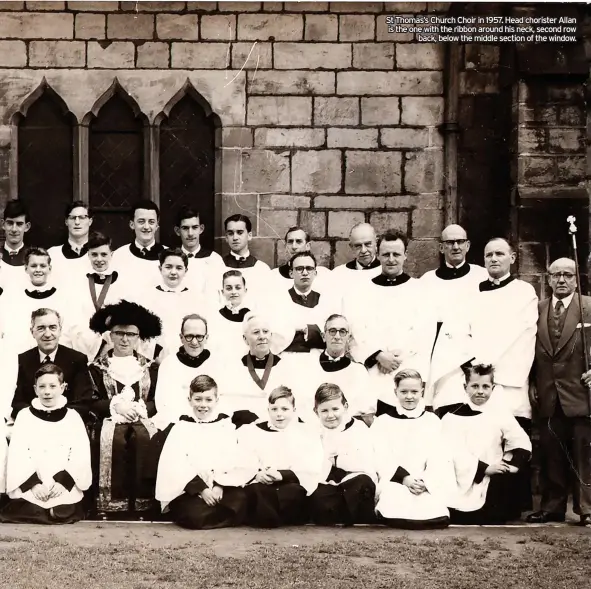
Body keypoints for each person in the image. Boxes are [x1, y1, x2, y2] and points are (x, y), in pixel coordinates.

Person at [527, 258, 591, 526]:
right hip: (548, 394)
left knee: (583, 453)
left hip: (580, 393)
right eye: (556, 275)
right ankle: (552, 507)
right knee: (552, 453)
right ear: (548, 278)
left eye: (567, 275)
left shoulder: (588, 307)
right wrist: (532, 383)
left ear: (576, 278)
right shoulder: (537, 309)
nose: (561, 280)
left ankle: (586, 508)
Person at [345, 230, 436, 405]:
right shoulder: (360, 292)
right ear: (378, 255)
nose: (391, 259)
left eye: (396, 254)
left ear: (406, 256)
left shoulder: (421, 291)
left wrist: (399, 360)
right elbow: (356, 330)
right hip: (372, 371)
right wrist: (378, 355)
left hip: (407, 372)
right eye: (386, 254)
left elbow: (425, 334)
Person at [87, 300, 161, 516]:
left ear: (139, 337)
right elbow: (90, 399)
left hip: (143, 420)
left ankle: (144, 506)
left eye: (131, 334)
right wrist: (115, 406)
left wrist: (141, 408)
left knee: (143, 435)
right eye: (119, 333)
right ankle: (109, 506)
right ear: (110, 335)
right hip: (108, 422)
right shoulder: (96, 368)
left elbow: (158, 398)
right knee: (115, 438)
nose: (125, 339)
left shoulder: (150, 367)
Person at [155, 375, 254, 529]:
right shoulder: (181, 428)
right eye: (198, 399)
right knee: (193, 514)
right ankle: (224, 517)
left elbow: (232, 458)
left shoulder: (225, 426)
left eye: (208, 400)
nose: (203, 405)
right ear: (189, 400)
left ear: (216, 400)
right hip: (190, 489)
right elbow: (175, 464)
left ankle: (220, 514)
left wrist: (219, 485)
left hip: (220, 486)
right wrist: (202, 490)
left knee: (241, 499)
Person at [0, 363, 91, 525]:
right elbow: (18, 453)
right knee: (28, 507)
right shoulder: (24, 416)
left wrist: (64, 482)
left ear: (63, 387)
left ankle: (54, 509)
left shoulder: (73, 417)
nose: (47, 392)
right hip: (33, 483)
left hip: (61, 485)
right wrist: (33, 484)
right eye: (42, 386)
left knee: (62, 510)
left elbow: (80, 453)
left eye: (53, 386)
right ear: (35, 389)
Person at [442, 364, 532, 525]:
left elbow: (520, 440)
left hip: (492, 476)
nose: (480, 391)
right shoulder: (451, 417)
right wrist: (483, 468)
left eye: (485, 386)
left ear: (493, 388)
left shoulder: (500, 413)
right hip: (461, 476)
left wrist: (513, 464)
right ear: (465, 387)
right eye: (474, 386)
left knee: (499, 504)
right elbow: (452, 452)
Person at [371, 370, 452, 529]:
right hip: (396, 479)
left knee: (433, 511)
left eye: (414, 391)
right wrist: (405, 479)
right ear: (395, 392)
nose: (409, 396)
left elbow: (439, 456)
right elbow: (381, 456)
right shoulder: (382, 422)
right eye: (404, 392)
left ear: (422, 391)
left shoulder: (432, 421)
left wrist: (425, 481)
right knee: (395, 504)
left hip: (423, 482)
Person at [421, 224, 487, 411]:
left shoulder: (482, 276)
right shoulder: (427, 280)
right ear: (441, 247)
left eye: (460, 242)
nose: (456, 247)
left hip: (472, 355)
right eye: (450, 242)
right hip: (440, 358)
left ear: (468, 245)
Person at [239, 386, 323, 527]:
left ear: (294, 410)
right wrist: (257, 474)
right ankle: (270, 518)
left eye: (284, 409)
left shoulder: (305, 433)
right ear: (268, 410)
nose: (279, 414)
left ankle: (272, 518)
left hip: (289, 482)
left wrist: (282, 475)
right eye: (274, 409)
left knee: (293, 492)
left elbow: (310, 465)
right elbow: (246, 458)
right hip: (262, 482)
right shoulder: (253, 432)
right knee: (257, 491)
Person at [308, 383, 377, 526]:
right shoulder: (314, 431)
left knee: (362, 484)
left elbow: (365, 462)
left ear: (345, 407)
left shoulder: (358, 428)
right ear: (316, 411)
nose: (330, 415)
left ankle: (353, 516)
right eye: (324, 411)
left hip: (354, 479)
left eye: (335, 409)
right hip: (328, 483)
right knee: (318, 496)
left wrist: (337, 460)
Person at [289, 314, 375, 425]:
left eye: (342, 331)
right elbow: (302, 406)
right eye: (332, 331)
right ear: (324, 336)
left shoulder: (359, 371)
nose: (337, 336)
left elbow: (366, 410)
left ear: (348, 337)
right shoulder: (307, 367)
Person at [12, 308, 93, 422]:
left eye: (52, 327)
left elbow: (83, 401)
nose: (48, 334)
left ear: (60, 330)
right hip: (31, 423)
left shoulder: (77, 359)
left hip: (66, 423)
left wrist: (55, 418)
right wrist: (38, 417)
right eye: (41, 328)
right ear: (32, 332)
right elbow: (16, 401)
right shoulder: (21, 361)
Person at [217, 313, 295, 419]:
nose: (262, 336)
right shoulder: (233, 368)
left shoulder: (286, 367)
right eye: (256, 332)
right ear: (245, 339)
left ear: (271, 336)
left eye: (266, 332)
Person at [153, 314, 222, 431]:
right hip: (178, 423)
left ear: (206, 338)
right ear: (181, 337)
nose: (194, 342)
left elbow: (222, 398)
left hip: (212, 422)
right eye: (189, 336)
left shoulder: (218, 363)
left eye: (199, 336)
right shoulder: (169, 364)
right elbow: (163, 403)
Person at [0, 247, 74, 354]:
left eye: (43, 266)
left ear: (49, 268)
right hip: (22, 353)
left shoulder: (62, 296)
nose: (38, 270)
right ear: (26, 268)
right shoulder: (12, 295)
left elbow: (66, 330)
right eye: (33, 266)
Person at [139, 248, 207, 360]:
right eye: (168, 267)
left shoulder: (196, 298)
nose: (173, 272)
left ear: (186, 270)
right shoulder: (147, 298)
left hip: (187, 356)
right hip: (155, 358)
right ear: (160, 269)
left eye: (179, 268)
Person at [70, 232, 128, 361]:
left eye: (104, 254)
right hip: (85, 342)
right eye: (94, 255)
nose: (99, 259)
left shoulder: (122, 284)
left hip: (113, 343)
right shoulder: (79, 283)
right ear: (88, 255)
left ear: (111, 255)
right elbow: (75, 317)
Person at [276, 252, 340, 357]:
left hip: (318, 359)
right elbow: (277, 333)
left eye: (309, 268)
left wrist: (298, 329)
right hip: (287, 357)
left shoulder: (326, 300)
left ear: (315, 273)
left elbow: (332, 333)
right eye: (299, 268)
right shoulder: (279, 299)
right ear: (291, 273)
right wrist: (315, 331)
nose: (305, 273)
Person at [111, 200, 167, 293]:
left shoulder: (169, 255)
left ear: (157, 226)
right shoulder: (119, 256)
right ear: (132, 224)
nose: (146, 227)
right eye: (141, 221)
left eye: (151, 222)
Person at [174, 206, 225, 300]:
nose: (190, 233)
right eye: (185, 228)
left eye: (194, 227)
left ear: (201, 229)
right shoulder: (171, 259)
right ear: (177, 231)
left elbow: (220, 296)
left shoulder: (214, 259)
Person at [220, 214, 271, 303]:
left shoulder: (262, 269)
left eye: (240, 233)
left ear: (249, 235)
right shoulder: (218, 266)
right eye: (231, 233)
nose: (235, 238)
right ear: (226, 238)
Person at [271, 227, 331, 293]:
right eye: (290, 242)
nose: (294, 247)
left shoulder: (324, 275)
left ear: (308, 246)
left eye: (298, 241)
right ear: (285, 246)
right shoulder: (274, 276)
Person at [47, 201, 93, 283]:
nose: (77, 222)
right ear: (66, 221)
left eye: (82, 217)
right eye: (72, 218)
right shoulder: (53, 254)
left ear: (90, 221)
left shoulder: (99, 254)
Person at [331, 223, 381, 287]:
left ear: (376, 243)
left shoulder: (388, 272)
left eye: (368, 244)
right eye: (358, 246)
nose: (363, 250)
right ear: (351, 247)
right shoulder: (339, 274)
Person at [1, 199, 30, 287]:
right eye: (10, 223)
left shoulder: (33, 257)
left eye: (19, 224)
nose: (14, 229)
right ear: (3, 224)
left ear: (27, 227)